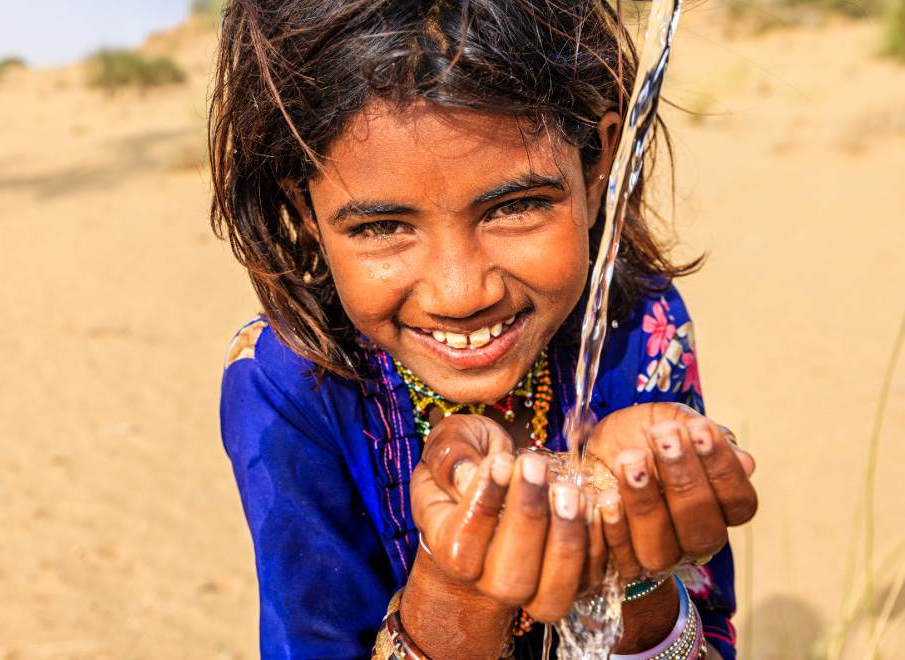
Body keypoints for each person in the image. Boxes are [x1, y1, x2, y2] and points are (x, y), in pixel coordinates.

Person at [210, 1, 758, 659]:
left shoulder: (635, 324)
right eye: (381, 227)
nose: (460, 292)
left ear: (594, 163)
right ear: (305, 205)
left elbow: (706, 633)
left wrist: (633, 571)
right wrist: (455, 596)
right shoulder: (291, 385)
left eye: (517, 206)